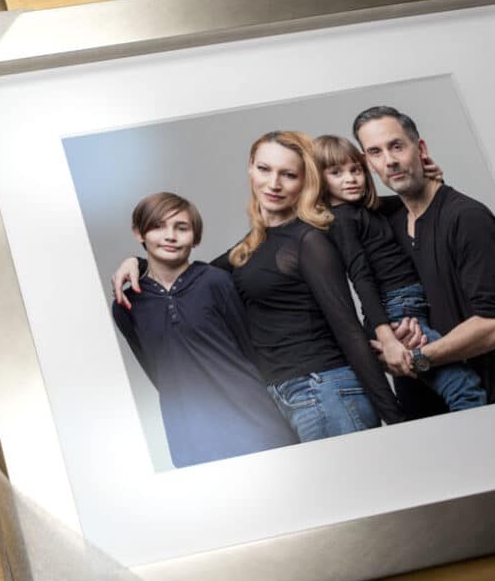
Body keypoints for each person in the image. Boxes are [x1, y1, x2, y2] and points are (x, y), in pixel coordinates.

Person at [114, 131, 405, 443]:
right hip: (285, 398)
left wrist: (397, 418)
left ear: (305, 180)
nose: (274, 184)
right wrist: (140, 262)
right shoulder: (254, 244)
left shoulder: (309, 240)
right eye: (264, 169)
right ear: (250, 168)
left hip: (325, 389)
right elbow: (193, 273)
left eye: (288, 175)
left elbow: (346, 328)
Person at [352, 106, 495, 413]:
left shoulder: (468, 219)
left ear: (420, 148)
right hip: (429, 418)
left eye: (397, 146)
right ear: (367, 163)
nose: (390, 160)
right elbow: (332, 206)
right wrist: (390, 345)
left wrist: (417, 357)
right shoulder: (388, 223)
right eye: (375, 152)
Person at [111, 191, 296, 467]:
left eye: (181, 228)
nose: (170, 236)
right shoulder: (126, 304)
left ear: (195, 238)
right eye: (158, 226)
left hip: (254, 424)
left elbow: (250, 348)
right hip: (191, 438)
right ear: (139, 233)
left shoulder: (216, 282)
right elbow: (157, 372)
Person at [313, 134, 486, 412]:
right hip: (397, 313)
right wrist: (387, 337)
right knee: (464, 389)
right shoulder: (342, 220)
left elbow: (416, 198)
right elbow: (361, 278)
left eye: (355, 169)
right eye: (336, 173)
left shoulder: (369, 209)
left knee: (423, 401)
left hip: (411, 305)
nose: (350, 178)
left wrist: (434, 179)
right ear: (319, 181)